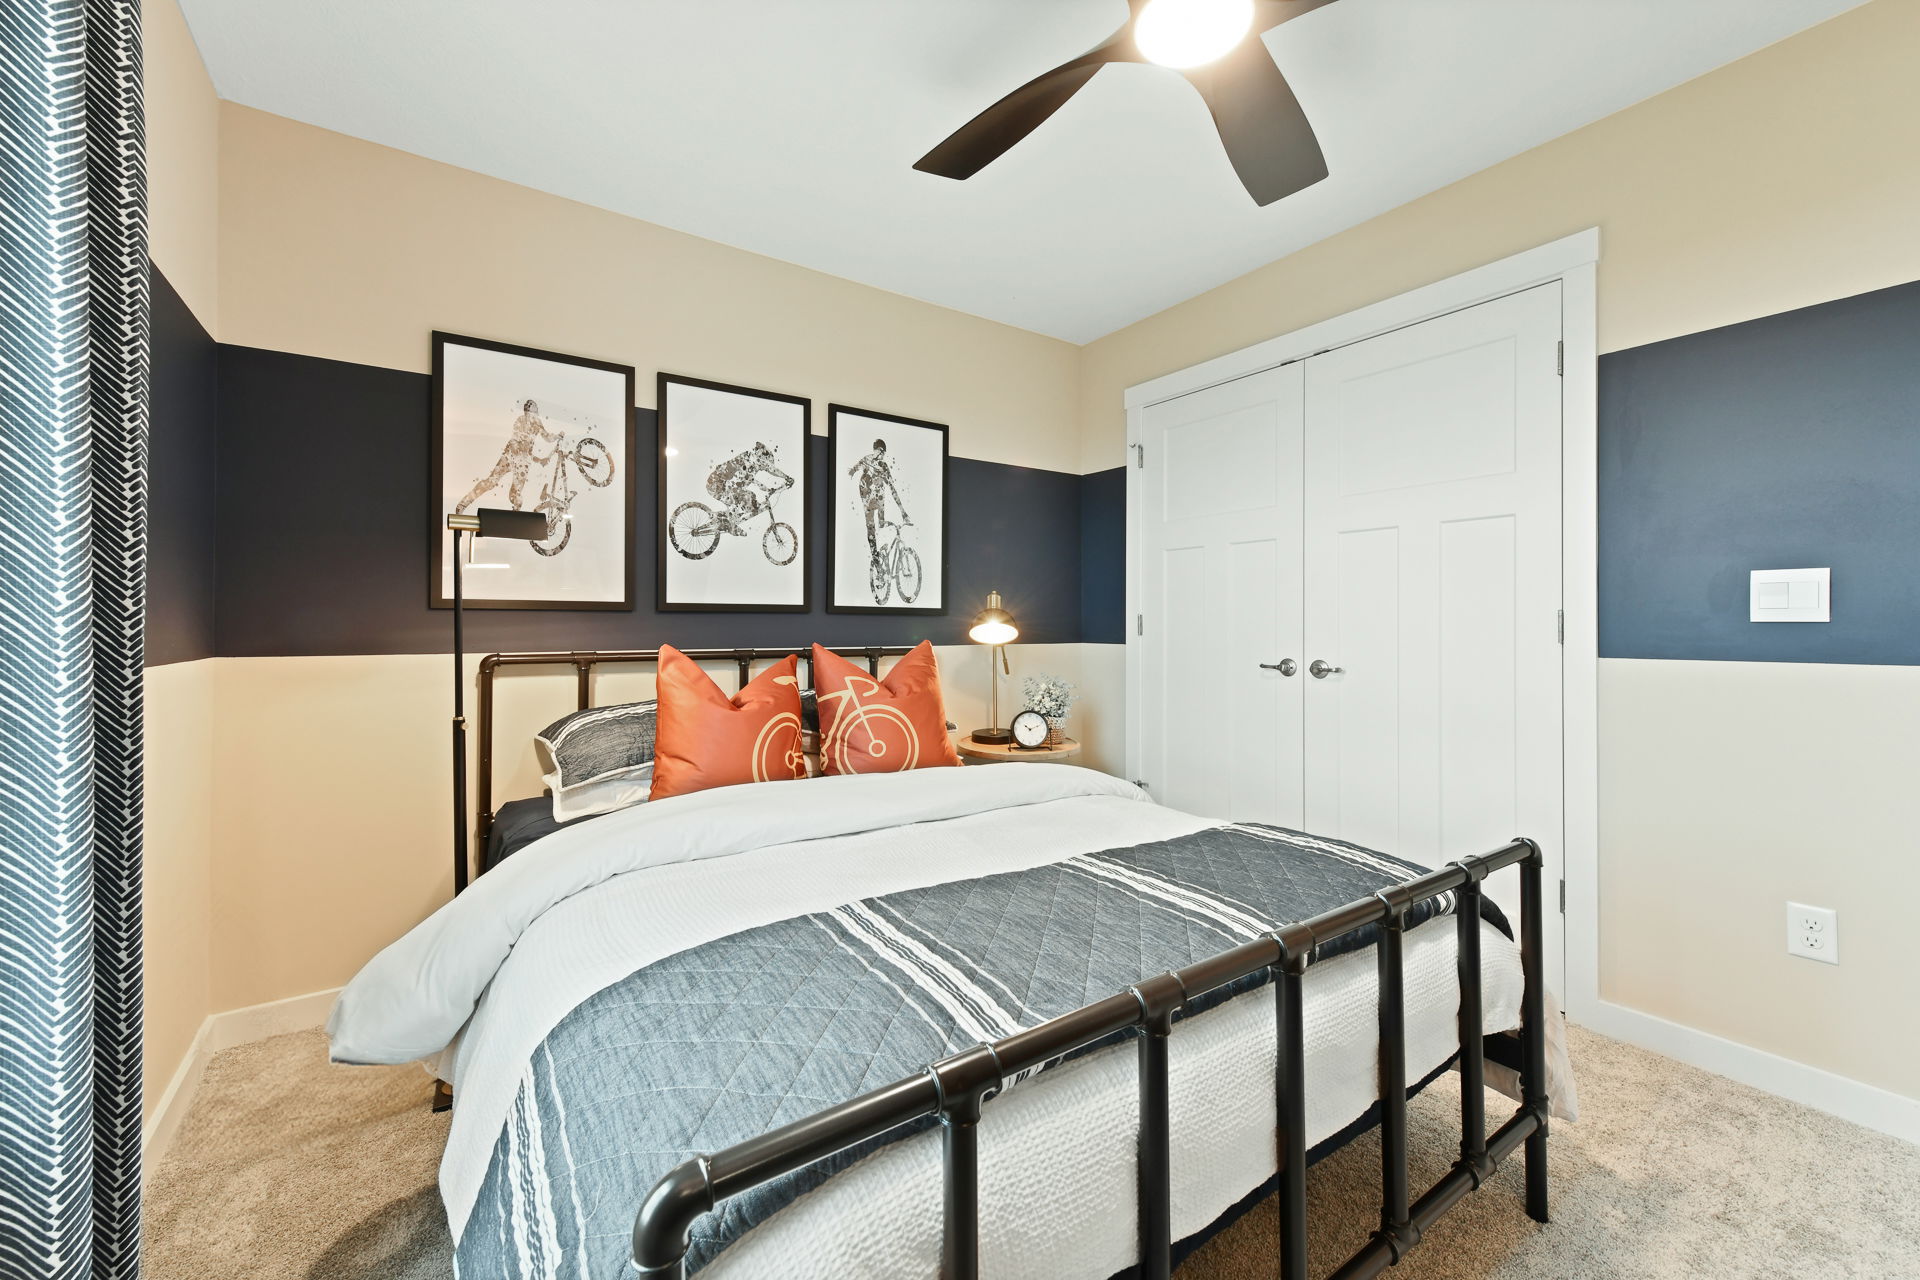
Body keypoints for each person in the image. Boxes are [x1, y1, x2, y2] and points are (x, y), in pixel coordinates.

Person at [456, 399, 558, 514]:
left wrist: (555, 438)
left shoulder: (536, 423)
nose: (531, 415)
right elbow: (517, 443)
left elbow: (545, 438)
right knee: (494, 483)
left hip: (519, 460)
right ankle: (463, 503)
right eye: (530, 410)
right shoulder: (521, 421)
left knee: (515, 495)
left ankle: (514, 520)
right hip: (511, 457)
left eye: (532, 411)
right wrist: (533, 457)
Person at [846, 439, 908, 593]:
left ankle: (884, 552)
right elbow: (853, 469)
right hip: (867, 497)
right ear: (876, 449)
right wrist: (853, 472)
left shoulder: (884, 466)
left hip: (878, 498)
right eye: (880, 451)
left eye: (883, 452)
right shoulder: (866, 459)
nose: (881, 454)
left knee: (881, 522)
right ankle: (876, 558)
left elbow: (892, 488)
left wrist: (902, 511)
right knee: (871, 527)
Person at [706, 442, 793, 534]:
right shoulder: (750, 458)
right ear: (761, 455)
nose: (764, 467)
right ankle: (731, 526)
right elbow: (771, 470)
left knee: (749, 499)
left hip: (718, 484)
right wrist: (786, 477)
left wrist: (768, 489)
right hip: (717, 484)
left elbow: (751, 479)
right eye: (766, 462)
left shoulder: (751, 465)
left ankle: (719, 517)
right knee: (745, 497)